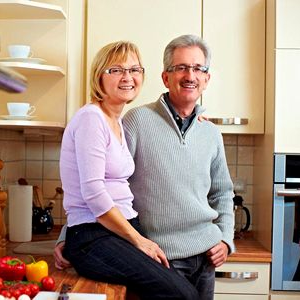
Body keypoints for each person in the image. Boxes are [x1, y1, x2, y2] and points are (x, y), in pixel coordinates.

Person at [55, 35, 235, 300]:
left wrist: (226, 239)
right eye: (181, 68)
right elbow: (94, 186)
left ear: (207, 79)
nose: (190, 75)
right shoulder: (133, 120)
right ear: (165, 77)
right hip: (157, 249)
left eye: (198, 69)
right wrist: (68, 235)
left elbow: (223, 193)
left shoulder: (210, 133)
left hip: (205, 252)